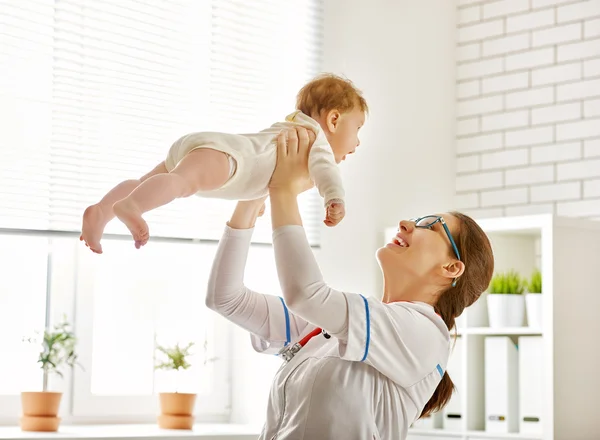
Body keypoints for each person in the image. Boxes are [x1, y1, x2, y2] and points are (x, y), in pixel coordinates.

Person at [205, 127, 494, 439]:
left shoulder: (424, 334)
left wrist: (284, 189)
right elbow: (226, 298)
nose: (407, 223)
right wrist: (252, 197)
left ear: (451, 267)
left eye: (429, 225)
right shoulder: (339, 325)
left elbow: (306, 294)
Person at [79, 73, 368, 254]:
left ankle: (102, 212)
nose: (357, 142)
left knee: (147, 183)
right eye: (357, 129)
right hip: (229, 160)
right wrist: (334, 197)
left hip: (212, 148)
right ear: (333, 120)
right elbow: (325, 169)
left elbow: (265, 165)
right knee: (181, 184)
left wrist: (256, 198)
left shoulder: (291, 125)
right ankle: (133, 206)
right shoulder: (312, 138)